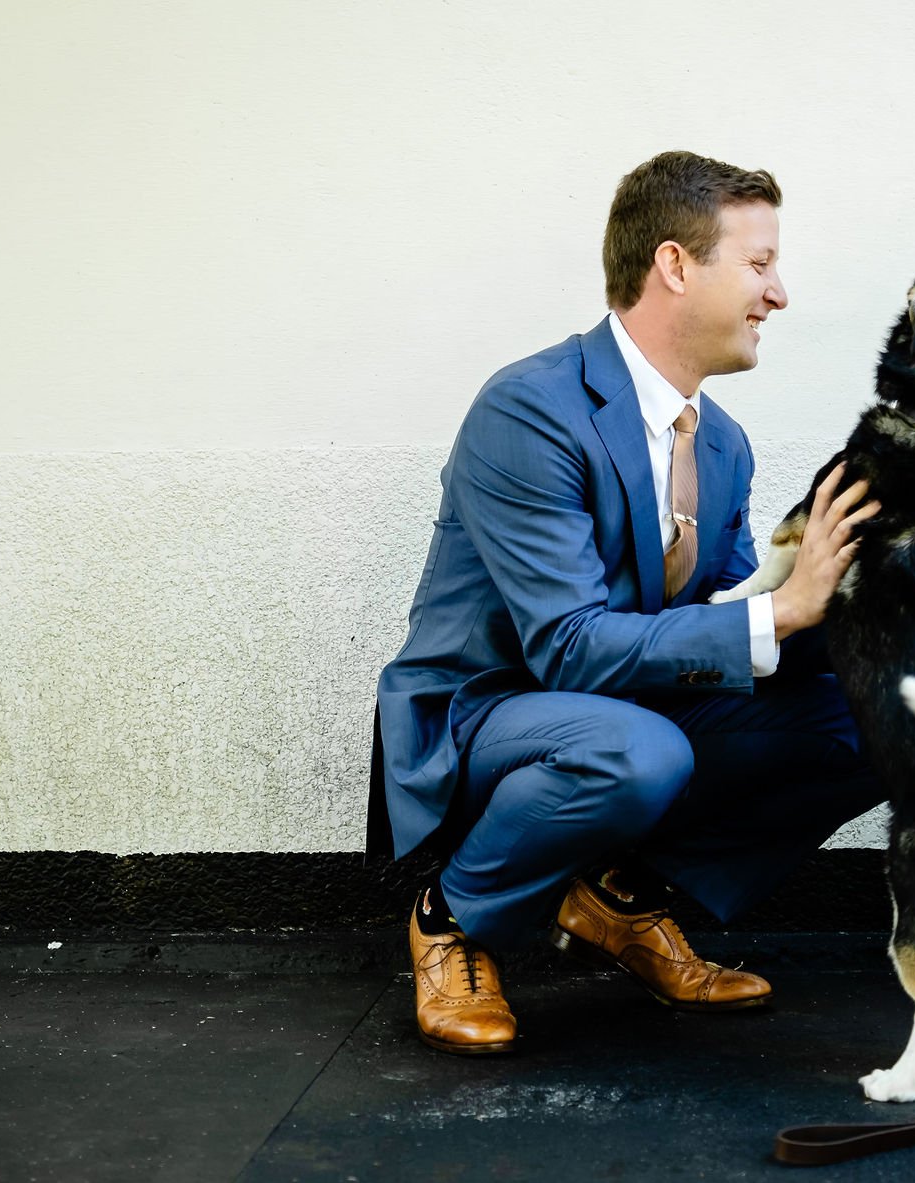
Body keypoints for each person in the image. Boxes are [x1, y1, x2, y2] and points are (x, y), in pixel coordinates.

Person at [368, 150, 883, 1055]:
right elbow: (566, 646)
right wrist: (778, 614)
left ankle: (619, 894)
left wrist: (850, 606)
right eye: (759, 265)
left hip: (628, 713)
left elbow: (719, 617)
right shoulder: (529, 408)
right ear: (676, 264)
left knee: (876, 708)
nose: (779, 294)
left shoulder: (721, 442)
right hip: (488, 711)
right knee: (639, 749)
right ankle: (452, 916)